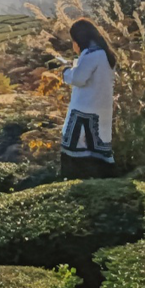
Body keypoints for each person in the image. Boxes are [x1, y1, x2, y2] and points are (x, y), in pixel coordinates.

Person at [60, 18, 118, 179]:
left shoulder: (92, 55)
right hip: (101, 108)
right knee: (99, 149)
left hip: (85, 109)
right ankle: (104, 182)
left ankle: (77, 181)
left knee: (75, 146)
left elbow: (78, 78)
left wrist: (65, 72)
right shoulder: (105, 53)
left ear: (79, 40)